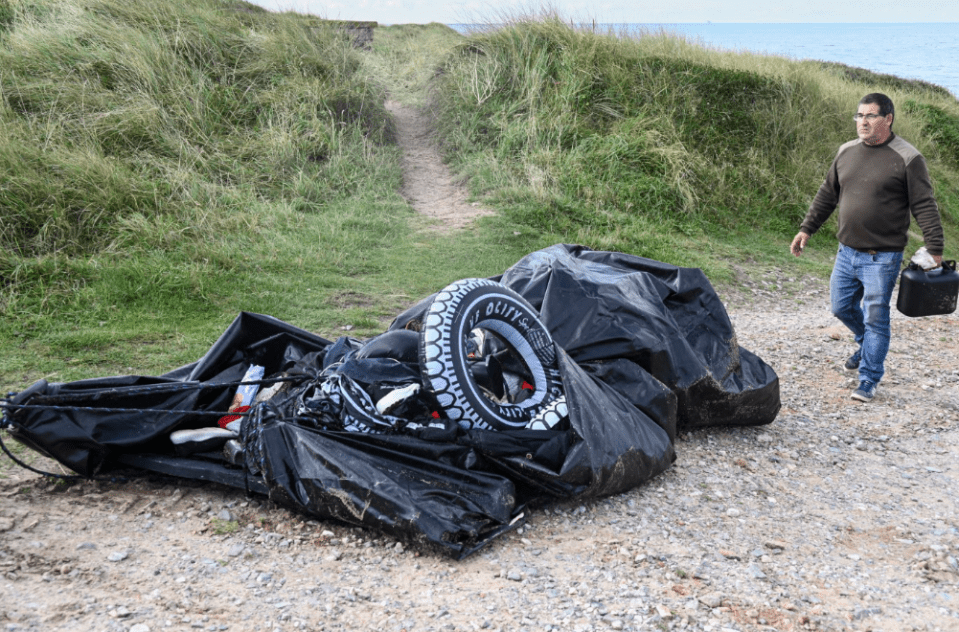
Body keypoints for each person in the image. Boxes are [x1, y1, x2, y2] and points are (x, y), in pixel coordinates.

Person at [790, 93, 944, 403]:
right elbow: (827, 194)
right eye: (859, 116)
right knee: (840, 307)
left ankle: (869, 378)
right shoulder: (846, 151)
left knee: (876, 317)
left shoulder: (907, 157)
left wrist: (935, 247)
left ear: (887, 119)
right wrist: (807, 228)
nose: (863, 122)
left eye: (870, 116)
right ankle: (865, 343)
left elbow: (924, 204)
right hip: (846, 252)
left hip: (882, 257)